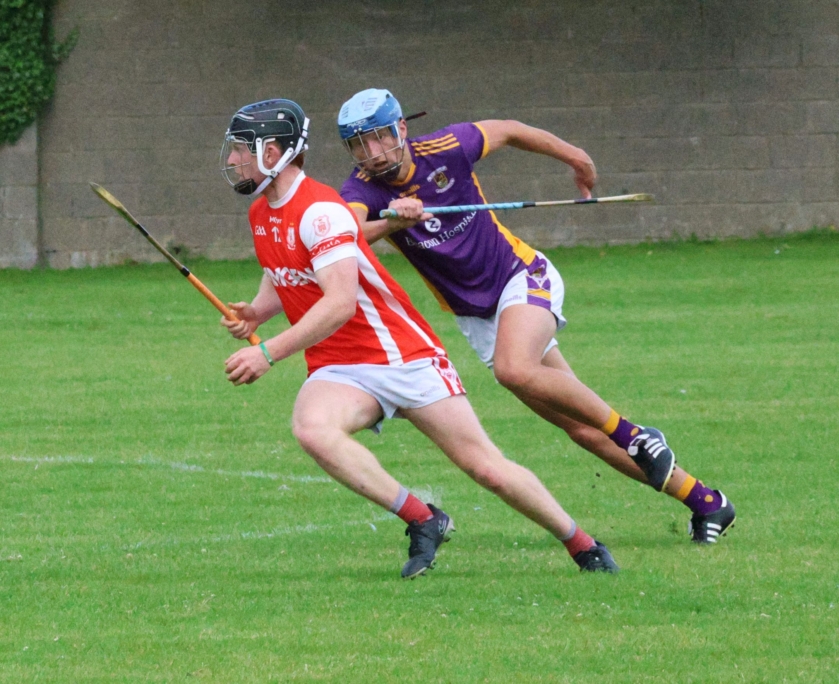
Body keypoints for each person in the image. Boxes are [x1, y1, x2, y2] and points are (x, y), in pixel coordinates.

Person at [217, 97, 620, 579]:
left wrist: (269, 351)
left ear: (277, 153)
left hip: (402, 354)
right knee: (313, 428)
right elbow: (286, 274)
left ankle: (581, 544)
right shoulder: (263, 213)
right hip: (341, 365)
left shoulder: (321, 210)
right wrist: (256, 311)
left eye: (244, 149)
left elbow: (341, 300)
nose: (233, 159)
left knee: (485, 468)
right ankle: (423, 518)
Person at [336, 88, 735, 545]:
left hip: (521, 277)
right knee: (582, 428)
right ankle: (707, 502)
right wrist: (393, 223)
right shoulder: (362, 188)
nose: (372, 152)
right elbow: (347, 235)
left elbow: (509, 131)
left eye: (379, 137)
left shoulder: (446, 147)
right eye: (359, 144)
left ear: (401, 129)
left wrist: (576, 158)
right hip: (478, 318)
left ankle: (638, 436)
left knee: (514, 369)